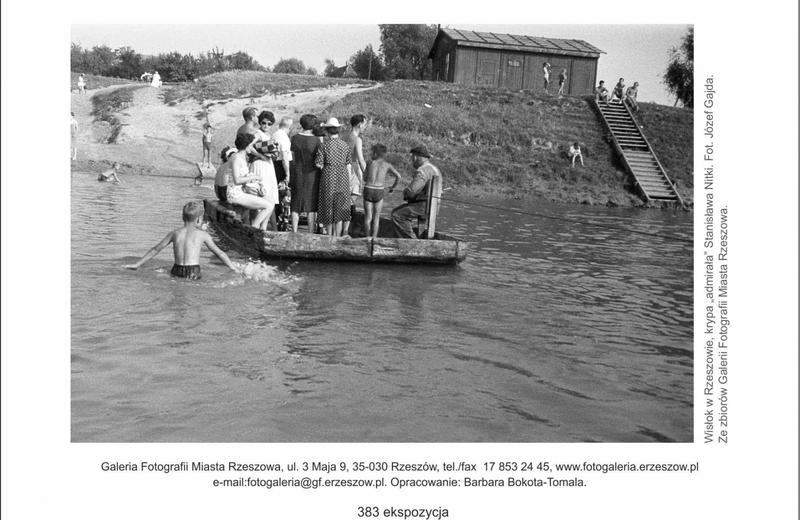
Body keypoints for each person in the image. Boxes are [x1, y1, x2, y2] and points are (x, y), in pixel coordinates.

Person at [124, 201, 237, 279]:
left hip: (176, 270)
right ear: (198, 219)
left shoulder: (175, 233)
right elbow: (220, 253)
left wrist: (137, 264)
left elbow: (155, 249)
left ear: (183, 218)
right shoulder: (202, 234)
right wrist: (233, 268)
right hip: (193, 271)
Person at [391, 145, 441, 239]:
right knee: (404, 212)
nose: (412, 160)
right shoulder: (435, 169)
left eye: (412, 158)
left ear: (415, 157)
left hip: (424, 206)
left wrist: (406, 192)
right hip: (436, 206)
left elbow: (412, 191)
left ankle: (411, 242)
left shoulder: (422, 170)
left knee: (396, 214)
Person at [315, 117, 352, 237]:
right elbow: (349, 164)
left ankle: (330, 236)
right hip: (343, 175)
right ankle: (338, 236)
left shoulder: (324, 145)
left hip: (328, 175)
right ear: (338, 130)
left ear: (327, 131)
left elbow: (318, 163)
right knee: (340, 207)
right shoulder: (345, 145)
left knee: (328, 205)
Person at [227, 133, 273, 230]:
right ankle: (254, 229)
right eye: (250, 145)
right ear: (246, 146)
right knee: (268, 206)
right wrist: (254, 177)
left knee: (271, 201)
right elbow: (237, 180)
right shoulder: (237, 158)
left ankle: (263, 228)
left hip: (241, 191)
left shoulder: (242, 157)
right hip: (235, 194)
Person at [247, 110, 280, 229]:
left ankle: (263, 227)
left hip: (267, 165)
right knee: (260, 194)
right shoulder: (258, 133)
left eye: (269, 124)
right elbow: (249, 146)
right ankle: (256, 226)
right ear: (260, 122)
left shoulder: (268, 135)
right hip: (260, 165)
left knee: (269, 196)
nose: (266, 126)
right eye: (264, 123)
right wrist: (260, 155)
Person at [289, 114, 321, 233]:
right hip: (311, 172)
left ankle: (294, 231)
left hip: (297, 171)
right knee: (311, 202)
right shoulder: (316, 140)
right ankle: (311, 231)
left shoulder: (295, 138)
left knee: (295, 201)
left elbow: (292, 156)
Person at [362, 144, 401, 238]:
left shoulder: (369, 162)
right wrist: (392, 187)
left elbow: (365, 178)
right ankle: (374, 240)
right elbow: (399, 177)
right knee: (376, 218)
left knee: (368, 217)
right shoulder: (387, 165)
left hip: (368, 188)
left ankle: (367, 238)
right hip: (379, 190)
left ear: (375, 153)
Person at [341, 114, 367, 219]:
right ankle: (346, 226)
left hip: (341, 168)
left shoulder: (343, 136)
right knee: (351, 198)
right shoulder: (357, 140)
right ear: (359, 125)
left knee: (343, 197)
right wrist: (367, 175)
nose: (365, 127)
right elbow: (360, 159)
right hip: (352, 169)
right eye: (364, 124)